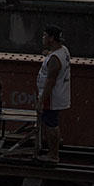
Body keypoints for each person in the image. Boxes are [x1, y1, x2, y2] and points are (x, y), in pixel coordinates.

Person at [35, 25, 71, 164]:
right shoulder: (63, 50)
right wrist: (48, 54)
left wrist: (41, 101)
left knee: (51, 124)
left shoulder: (55, 60)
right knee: (52, 122)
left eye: (45, 36)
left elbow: (50, 81)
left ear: (51, 38)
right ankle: (55, 146)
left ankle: (53, 155)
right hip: (60, 94)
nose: (42, 38)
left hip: (52, 97)